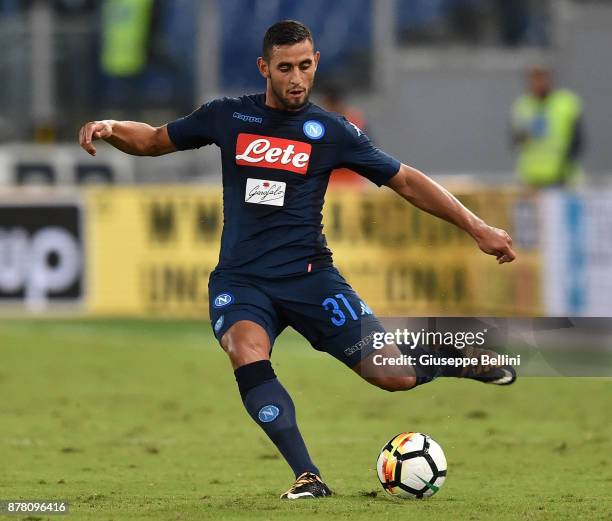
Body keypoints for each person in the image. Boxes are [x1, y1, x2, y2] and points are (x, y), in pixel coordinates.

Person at [79, 20, 516, 500]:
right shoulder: (228, 117)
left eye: (305, 66)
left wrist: (478, 227)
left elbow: (406, 180)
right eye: (285, 68)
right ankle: (308, 475)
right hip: (243, 281)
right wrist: (111, 127)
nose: (296, 79)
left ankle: (461, 359)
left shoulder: (331, 131)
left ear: (315, 64)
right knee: (245, 350)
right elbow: (153, 140)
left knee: (394, 376)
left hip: (312, 279)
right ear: (265, 67)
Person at [511, 66, 585, 188]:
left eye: (541, 79)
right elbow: (515, 140)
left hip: (562, 177)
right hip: (531, 177)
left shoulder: (566, 104)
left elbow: (578, 141)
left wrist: (565, 163)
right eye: (534, 80)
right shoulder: (522, 106)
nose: (538, 84)